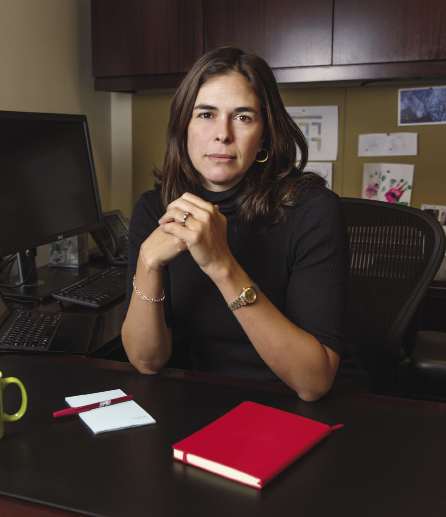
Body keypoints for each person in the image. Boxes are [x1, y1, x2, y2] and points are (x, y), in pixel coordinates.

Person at [120, 47, 352, 402]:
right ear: (183, 126)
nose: (222, 134)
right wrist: (147, 263)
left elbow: (314, 382)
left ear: (265, 134)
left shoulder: (313, 211)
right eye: (206, 114)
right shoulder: (155, 209)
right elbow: (146, 361)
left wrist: (222, 265)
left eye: (243, 117)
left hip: (290, 404)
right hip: (199, 401)